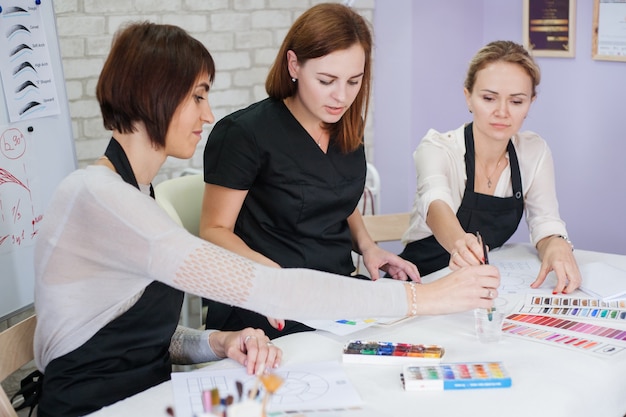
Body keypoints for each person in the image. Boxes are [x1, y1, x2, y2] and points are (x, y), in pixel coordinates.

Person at [33, 21, 500, 417]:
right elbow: (272, 288)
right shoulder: (100, 197)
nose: (209, 113)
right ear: (156, 97)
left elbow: (141, 338)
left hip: (150, 395)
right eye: (197, 96)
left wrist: (218, 342)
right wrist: (425, 298)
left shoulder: (133, 194)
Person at [200, 3, 420, 338]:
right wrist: (273, 275)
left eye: (354, 81)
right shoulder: (245, 134)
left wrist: (368, 247)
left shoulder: (347, 128)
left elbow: (338, 199)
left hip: (333, 290)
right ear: (294, 64)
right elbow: (214, 229)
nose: (341, 96)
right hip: (265, 301)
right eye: (327, 80)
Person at [398, 40, 581, 294]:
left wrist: (557, 244)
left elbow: (545, 222)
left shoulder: (533, 152)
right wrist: (460, 244)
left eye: (516, 101)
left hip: (475, 286)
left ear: (531, 102)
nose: (502, 112)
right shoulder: (438, 148)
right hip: (419, 283)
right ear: (468, 97)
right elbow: (434, 203)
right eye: (488, 98)